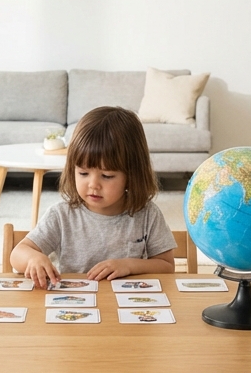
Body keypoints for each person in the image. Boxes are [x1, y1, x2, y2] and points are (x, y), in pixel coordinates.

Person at [12, 106, 176, 286]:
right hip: (74, 306)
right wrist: (33, 259)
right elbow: (18, 254)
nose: (93, 185)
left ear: (132, 175)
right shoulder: (61, 215)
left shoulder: (147, 214)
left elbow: (166, 266)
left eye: (107, 176)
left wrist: (128, 265)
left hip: (126, 307)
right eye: (83, 173)